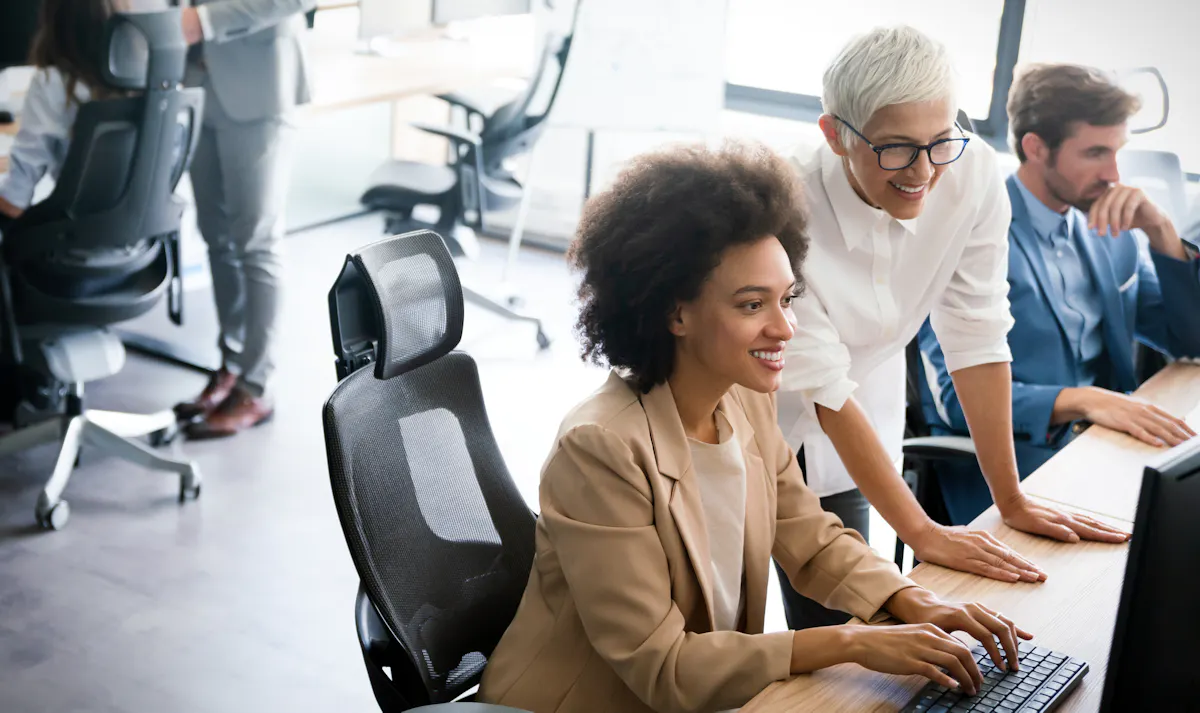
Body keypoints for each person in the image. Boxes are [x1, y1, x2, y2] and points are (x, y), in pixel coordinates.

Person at [478, 141, 1032, 713]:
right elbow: (663, 666)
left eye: (787, 299)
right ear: (675, 313)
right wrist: (848, 642)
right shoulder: (600, 450)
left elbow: (811, 540)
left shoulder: (744, 402)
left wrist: (910, 598)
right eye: (751, 305)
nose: (786, 328)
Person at [774, 26, 1130, 631]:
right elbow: (818, 382)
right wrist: (922, 532)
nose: (923, 171)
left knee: (839, 630)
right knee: (715, 630)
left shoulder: (969, 173)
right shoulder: (783, 204)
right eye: (895, 148)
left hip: (853, 428)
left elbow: (978, 332)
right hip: (749, 418)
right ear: (835, 135)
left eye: (940, 140)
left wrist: (1009, 500)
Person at [916, 63, 1200, 525]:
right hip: (1019, 467)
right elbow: (951, 397)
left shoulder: (1110, 228)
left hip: (1107, 450)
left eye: (1116, 152)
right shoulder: (975, 234)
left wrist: (1162, 232)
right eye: (1094, 153)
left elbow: (1190, 340)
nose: (1113, 173)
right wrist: (1083, 399)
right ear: (1036, 148)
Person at [171, 0, 315, 439]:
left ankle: (256, 385)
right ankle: (231, 368)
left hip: (257, 82)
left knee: (256, 241)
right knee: (217, 237)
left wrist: (205, 21)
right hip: (193, 79)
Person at [0, 0, 121, 228]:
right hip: (139, 249)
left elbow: (14, 202)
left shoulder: (52, 84)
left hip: (69, 244)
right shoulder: (151, 82)